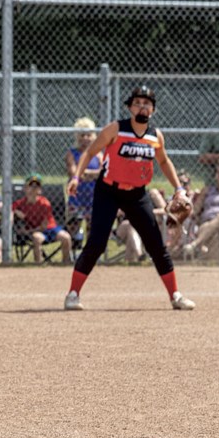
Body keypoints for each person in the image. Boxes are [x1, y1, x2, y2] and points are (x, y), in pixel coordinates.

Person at [64, 86, 195, 311]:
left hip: (136, 194)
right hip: (108, 191)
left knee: (155, 243)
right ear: (129, 107)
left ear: (152, 110)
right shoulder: (116, 128)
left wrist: (179, 189)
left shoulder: (155, 136)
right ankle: (72, 295)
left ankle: (175, 295)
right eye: (137, 102)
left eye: (147, 103)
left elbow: (164, 162)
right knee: (96, 243)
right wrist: (76, 177)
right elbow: (90, 151)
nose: (142, 106)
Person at [11, 173, 73, 264]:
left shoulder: (44, 203)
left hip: (50, 229)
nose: (34, 189)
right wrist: (15, 212)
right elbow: (8, 209)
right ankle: (39, 265)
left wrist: (27, 232)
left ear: (40, 190)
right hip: (36, 232)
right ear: (25, 188)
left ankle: (65, 263)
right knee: (37, 238)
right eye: (31, 185)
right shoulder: (20, 203)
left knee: (66, 237)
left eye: (37, 186)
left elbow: (44, 226)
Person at [65, 117, 102, 239]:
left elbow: (103, 173)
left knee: (92, 227)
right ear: (77, 136)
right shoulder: (72, 153)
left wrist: (85, 173)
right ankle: (75, 252)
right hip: (76, 196)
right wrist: (92, 174)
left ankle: (90, 254)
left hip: (94, 196)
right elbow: (74, 173)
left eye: (88, 135)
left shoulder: (98, 154)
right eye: (82, 135)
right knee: (74, 227)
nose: (85, 138)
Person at [183, 162, 219, 260]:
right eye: (218, 174)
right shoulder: (207, 190)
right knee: (214, 236)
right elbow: (195, 210)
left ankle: (195, 244)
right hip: (207, 223)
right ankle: (211, 261)